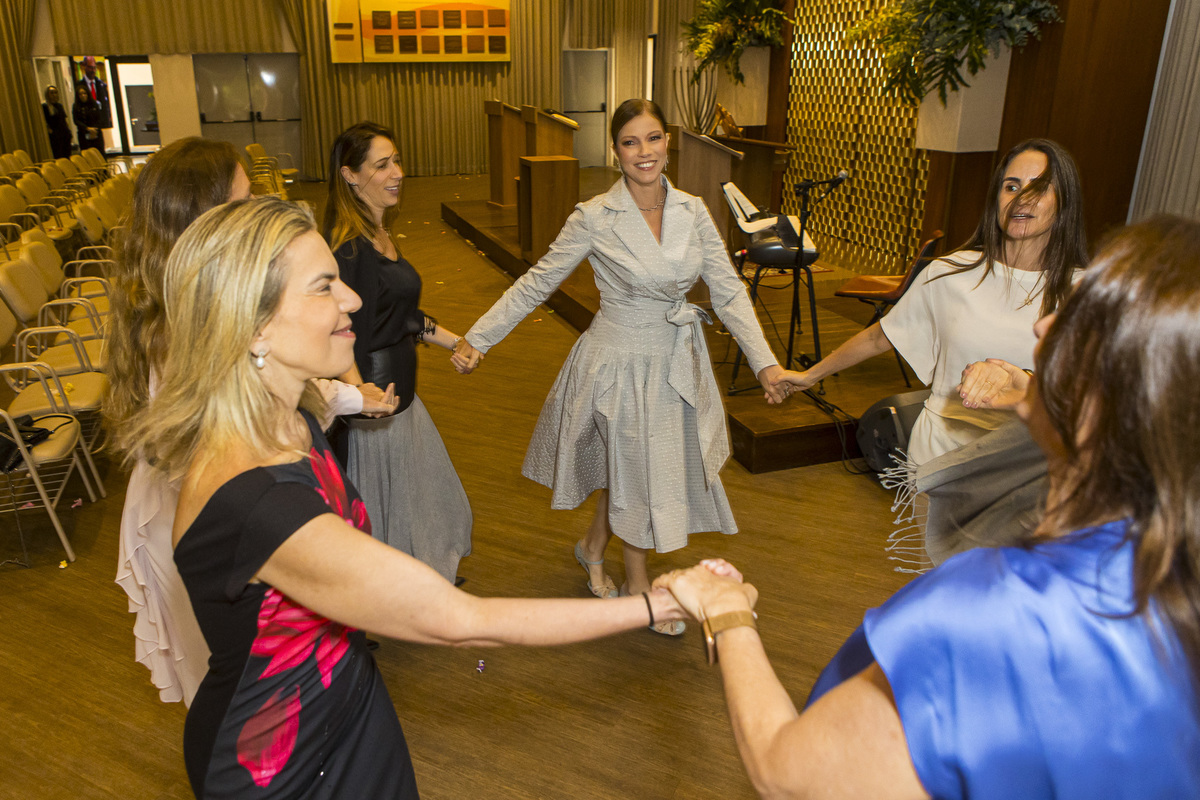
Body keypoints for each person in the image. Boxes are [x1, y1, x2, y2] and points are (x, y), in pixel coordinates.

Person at [116, 197, 699, 798]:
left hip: (344, 700)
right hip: (282, 762)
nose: (352, 299)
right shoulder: (260, 499)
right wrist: (659, 604)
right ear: (255, 325)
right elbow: (461, 621)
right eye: (324, 287)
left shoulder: (292, 418)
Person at [656, 216, 1200, 798]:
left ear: (1116, 399)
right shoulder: (1170, 575)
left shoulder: (990, 611)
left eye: (1083, 320)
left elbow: (786, 774)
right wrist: (1027, 387)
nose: (1045, 323)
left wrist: (726, 611)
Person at [453, 99, 785, 633]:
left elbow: (727, 291)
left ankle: (592, 547)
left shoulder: (693, 210)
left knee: (633, 469)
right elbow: (539, 281)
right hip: (618, 364)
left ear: (668, 142)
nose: (643, 151)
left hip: (675, 362)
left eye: (652, 138)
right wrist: (480, 337)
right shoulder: (594, 216)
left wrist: (764, 363)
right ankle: (638, 588)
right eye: (630, 142)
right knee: (638, 473)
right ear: (615, 152)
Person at [107, 137, 395, 705]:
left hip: (201, 491)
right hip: (187, 504)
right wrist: (350, 398)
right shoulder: (186, 320)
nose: (258, 207)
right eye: (242, 201)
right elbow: (251, 407)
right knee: (241, 678)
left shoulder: (190, 296)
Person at [773, 139, 1088, 467]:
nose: (1021, 198)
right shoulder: (950, 272)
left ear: (1064, 201)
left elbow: (1092, 396)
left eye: (1039, 188)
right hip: (937, 454)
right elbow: (880, 336)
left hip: (1020, 463)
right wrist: (810, 375)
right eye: (1011, 186)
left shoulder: (1085, 293)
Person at [323, 121, 472, 584]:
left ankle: (408, 582)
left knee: (411, 498)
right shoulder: (350, 248)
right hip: (376, 403)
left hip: (398, 392)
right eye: (382, 165)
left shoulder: (379, 234)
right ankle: (380, 596)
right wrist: (359, 394)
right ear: (350, 175)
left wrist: (456, 341)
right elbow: (340, 330)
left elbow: (401, 314)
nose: (397, 173)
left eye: (397, 161)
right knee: (380, 508)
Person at [79, 55, 112, 129]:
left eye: (94, 68)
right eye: (90, 67)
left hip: (102, 124)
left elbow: (107, 105)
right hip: (88, 125)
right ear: (84, 67)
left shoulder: (102, 85)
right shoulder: (79, 86)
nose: (93, 70)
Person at [41, 86, 72, 159]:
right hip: (55, 137)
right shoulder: (45, 107)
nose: (54, 95)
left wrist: (69, 133)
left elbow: (64, 120)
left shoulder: (59, 106)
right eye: (52, 93)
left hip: (64, 135)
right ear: (47, 95)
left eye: (55, 93)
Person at [73, 83, 104, 155]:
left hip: (96, 132)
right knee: (87, 154)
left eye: (84, 93)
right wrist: (87, 128)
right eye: (80, 94)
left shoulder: (94, 104)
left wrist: (94, 129)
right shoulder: (76, 106)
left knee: (99, 154)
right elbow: (76, 120)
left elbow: (99, 118)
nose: (83, 96)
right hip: (83, 134)